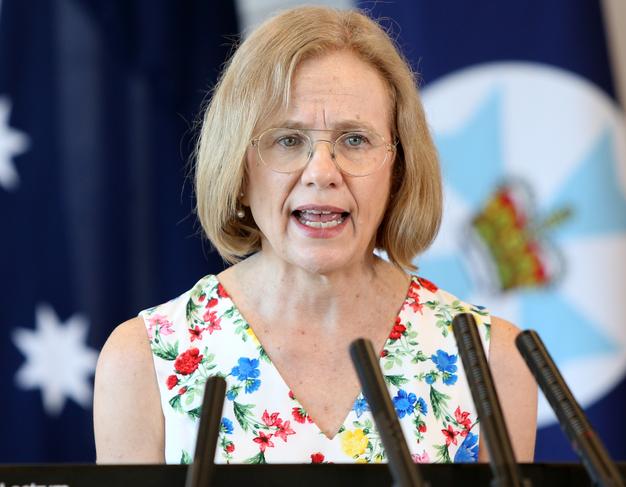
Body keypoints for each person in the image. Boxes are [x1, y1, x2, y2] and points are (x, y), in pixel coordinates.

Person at [94, 6, 537, 465]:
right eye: (288, 140)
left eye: (355, 140)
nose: (322, 173)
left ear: (399, 168)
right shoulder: (143, 360)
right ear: (239, 168)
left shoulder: (493, 362)